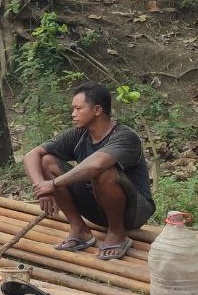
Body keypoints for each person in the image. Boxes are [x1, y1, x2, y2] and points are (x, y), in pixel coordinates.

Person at [24, 82, 156, 261]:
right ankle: (80, 229)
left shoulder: (125, 136)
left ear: (97, 110)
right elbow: (32, 155)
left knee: (103, 171)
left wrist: (53, 184)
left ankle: (117, 234)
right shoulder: (78, 135)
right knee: (47, 161)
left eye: (78, 108)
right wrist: (41, 188)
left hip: (133, 212)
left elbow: (96, 165)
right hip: (97, 207)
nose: (73, 114)